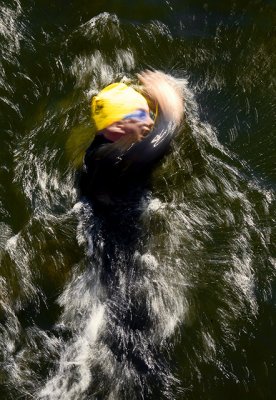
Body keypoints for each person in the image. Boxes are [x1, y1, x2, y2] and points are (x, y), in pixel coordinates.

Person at [80, 70, 184, 205]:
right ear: (116, 125)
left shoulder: (99, 151)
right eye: (141, 115)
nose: (150, 122)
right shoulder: (106, 158)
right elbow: (151, 149)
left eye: (148, 114)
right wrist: (169, 107)